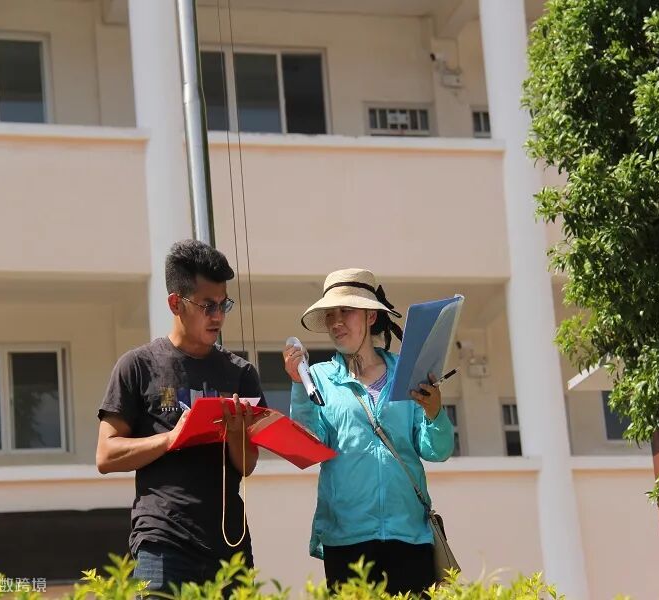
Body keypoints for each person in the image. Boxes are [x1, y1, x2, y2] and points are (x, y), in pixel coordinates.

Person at [96, 239, 266, 594]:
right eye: (207, 306)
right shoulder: (137, 366)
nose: (218, 316)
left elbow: (247, 465)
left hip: (229, 544)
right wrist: (172, 438)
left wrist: (237, 433)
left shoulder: (241, 373)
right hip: (162, 542)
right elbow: (106, 455)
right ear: (176, 303)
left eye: (224, 304)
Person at [283, 268, 454, 595]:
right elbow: (307, 445)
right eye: (330, 314)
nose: (336, 322)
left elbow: (438, 450)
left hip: (409, 536)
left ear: (371, 316)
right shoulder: (318, 378)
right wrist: (297, 385)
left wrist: (434, 412)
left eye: (346, 311)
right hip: (346, 539)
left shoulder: (407, 372)